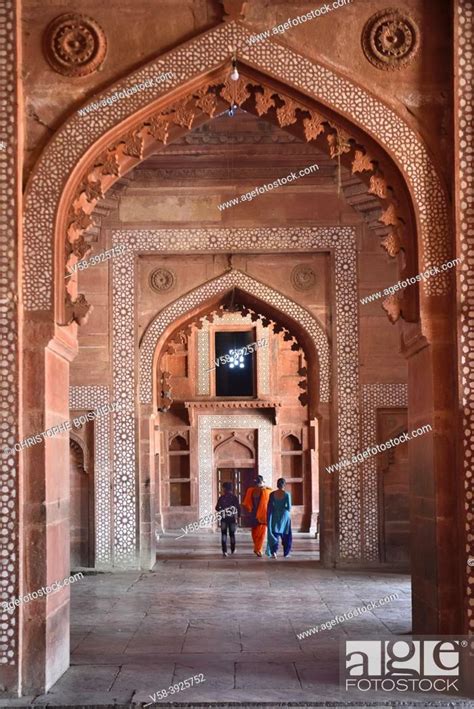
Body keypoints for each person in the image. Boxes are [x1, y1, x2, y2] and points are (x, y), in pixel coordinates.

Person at [242, 475, 272, 557]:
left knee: (254, 532)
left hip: (253, 513)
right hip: (262, 515)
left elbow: (246, 504)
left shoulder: (250, 490)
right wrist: (265, 486)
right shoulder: (266, 491)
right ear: (262, 482)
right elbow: (271, 493)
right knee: (261, 534)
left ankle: (257, 548)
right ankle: (257, 549)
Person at [266, 477, 292, 558]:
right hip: (285, 516)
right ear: (284, 485)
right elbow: (289, 507)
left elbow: (269, 506)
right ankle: (286, 553)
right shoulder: (287, 494)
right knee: (286, 535)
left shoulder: (272, 494)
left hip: (275, 514)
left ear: (277, 484)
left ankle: (274, 552)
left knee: (275, 533)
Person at [215, 482, 240, 557]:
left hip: (224, 518)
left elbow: (217, 508)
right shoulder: (234, 497)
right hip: (232, 518)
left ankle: (224, 551)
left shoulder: (222, 498)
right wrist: (238, 516)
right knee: (232, 534)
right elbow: (238, 507)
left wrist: (221, 511)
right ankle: (233, 549)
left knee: (224, 534)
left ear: (225, 489)